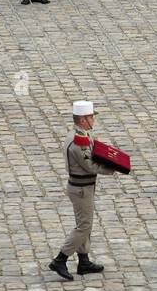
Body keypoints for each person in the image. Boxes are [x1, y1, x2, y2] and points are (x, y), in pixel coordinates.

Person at [48, 100, 117, 280]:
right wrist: (111, 168)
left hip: (82, 187)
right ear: (82, 120)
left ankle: (84, 261)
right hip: (81, 189)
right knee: (84, 226)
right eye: (91, 117)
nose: (93, 119)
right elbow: (89, 166)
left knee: (84, 223)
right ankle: (60, 259)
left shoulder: (80, 134)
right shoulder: (79, 141)